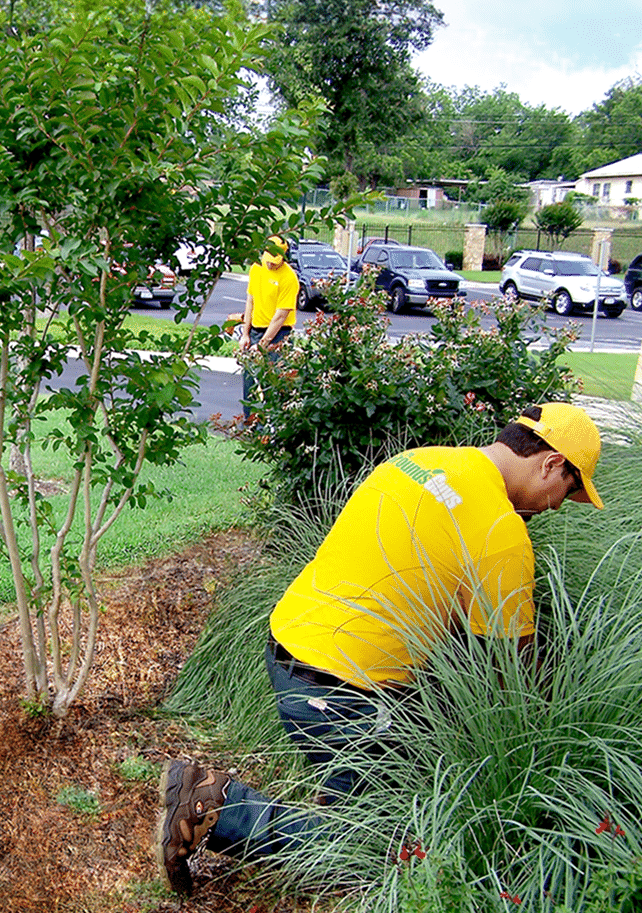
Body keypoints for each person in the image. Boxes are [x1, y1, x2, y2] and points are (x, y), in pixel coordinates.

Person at [156, 402, 604, 895]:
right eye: (570, 489)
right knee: (381, 851)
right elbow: (511, 675)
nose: (559, 505)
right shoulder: (502, 535)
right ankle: (214, 806)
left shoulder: (416, 460)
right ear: (552, 463)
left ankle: (345, 790)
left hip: (289, 643)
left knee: (402, 758)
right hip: (337, 688)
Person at [239, 235, 298, 418]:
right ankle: (249, 424)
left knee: (272, 381)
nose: (271, 264)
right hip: (256, 330)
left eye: (275, 260)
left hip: (278, 335)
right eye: (268, 259)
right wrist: (245, 333)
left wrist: (263, 344)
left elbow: (280, 317)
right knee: (248, 378)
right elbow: (251, 300)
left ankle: (272, 427)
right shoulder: (256, 268)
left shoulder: (289, 278)